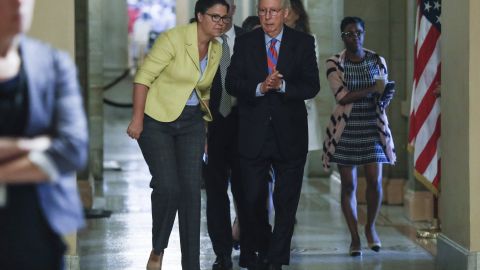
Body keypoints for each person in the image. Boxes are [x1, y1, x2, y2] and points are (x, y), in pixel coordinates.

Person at [126, 0, 229, 269]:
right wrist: (137, 119)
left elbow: (203, 91)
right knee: (169, 187)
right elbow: (143, 77)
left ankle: (191, 264)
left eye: (224, 18)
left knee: (192, 193)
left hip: (192, 123)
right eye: (215, 17)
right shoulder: (173, 38)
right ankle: (158, 249)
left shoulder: (217, 48)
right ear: (199, 16)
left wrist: (204, 129)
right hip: (156, 120)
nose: (220, 22)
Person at [225, 0, 320, 268]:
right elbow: (232, 82)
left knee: (285, 203)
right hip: (253, 135)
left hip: (290, 135)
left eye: (274, 11)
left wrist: (283, 85)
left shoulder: (302, 42)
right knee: (252, 199)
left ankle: (276, 260)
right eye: (263, 11)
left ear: (285, 13)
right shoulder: (245, 43)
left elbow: (312, 86)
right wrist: (259, 87)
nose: (268, 17)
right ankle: (258, 248)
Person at [0, 0, 88, 269]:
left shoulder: (52, 63)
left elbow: (72, 149)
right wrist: (33, 145)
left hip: (37, 232)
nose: (19, 4)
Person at [322, 16, 396, 257]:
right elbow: (342, 96)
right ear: (342, 36)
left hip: (372, 127)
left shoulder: (377, 60)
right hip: (346, 129)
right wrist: (372, 90)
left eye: (359, 33)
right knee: (349, 185)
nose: (355, 37)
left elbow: (382, 94)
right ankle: (354, 237)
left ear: (364, 33)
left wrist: (384, 94)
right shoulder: (335, 62)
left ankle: (370, 227)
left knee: (374, 181)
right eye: (349, 34)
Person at [203, 0, 245, 269]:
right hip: (212, 125)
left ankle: (250, 246)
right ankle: (222, 253)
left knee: (248, 191)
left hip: (244, 127)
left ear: (234, 8)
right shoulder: (200, 40)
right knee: (216, 193)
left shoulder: (249, 40)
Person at [284, 0, 323, 182]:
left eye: (288, 10)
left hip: (299, 110)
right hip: (271, 109)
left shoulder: (309, 40)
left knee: (293, 173)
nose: (284, 14)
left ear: (298, 14)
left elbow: (309, 80)